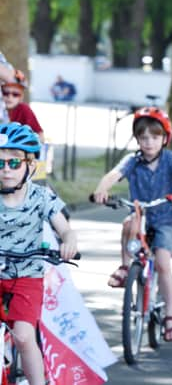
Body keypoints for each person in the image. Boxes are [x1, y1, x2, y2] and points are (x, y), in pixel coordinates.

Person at [92, 107, 172, 342]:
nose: (149, 142)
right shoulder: (133, 161)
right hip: (140, 214)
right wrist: (102, 189)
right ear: (137, 139)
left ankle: (170, 316)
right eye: (143, 137)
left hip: (166, 218)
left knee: (163, 263)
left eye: (155, 137)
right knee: (129, 222)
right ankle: (126, 267)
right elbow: (113, 175)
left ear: (164, 139)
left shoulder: (171, 160)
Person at [0, 122, 78, 385]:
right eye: (0, 163)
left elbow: (66, 230)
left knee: (23, 336)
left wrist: (68, 242)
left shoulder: (41, 197)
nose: (6, 170)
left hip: (27, 276)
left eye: (14, 163)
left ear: (30, 165)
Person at [2, 70, 44, 141]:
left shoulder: (24, 109)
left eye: (15, 94)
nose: (10, 97)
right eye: (5, 93)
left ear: (21, 97)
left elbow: (39, 134)